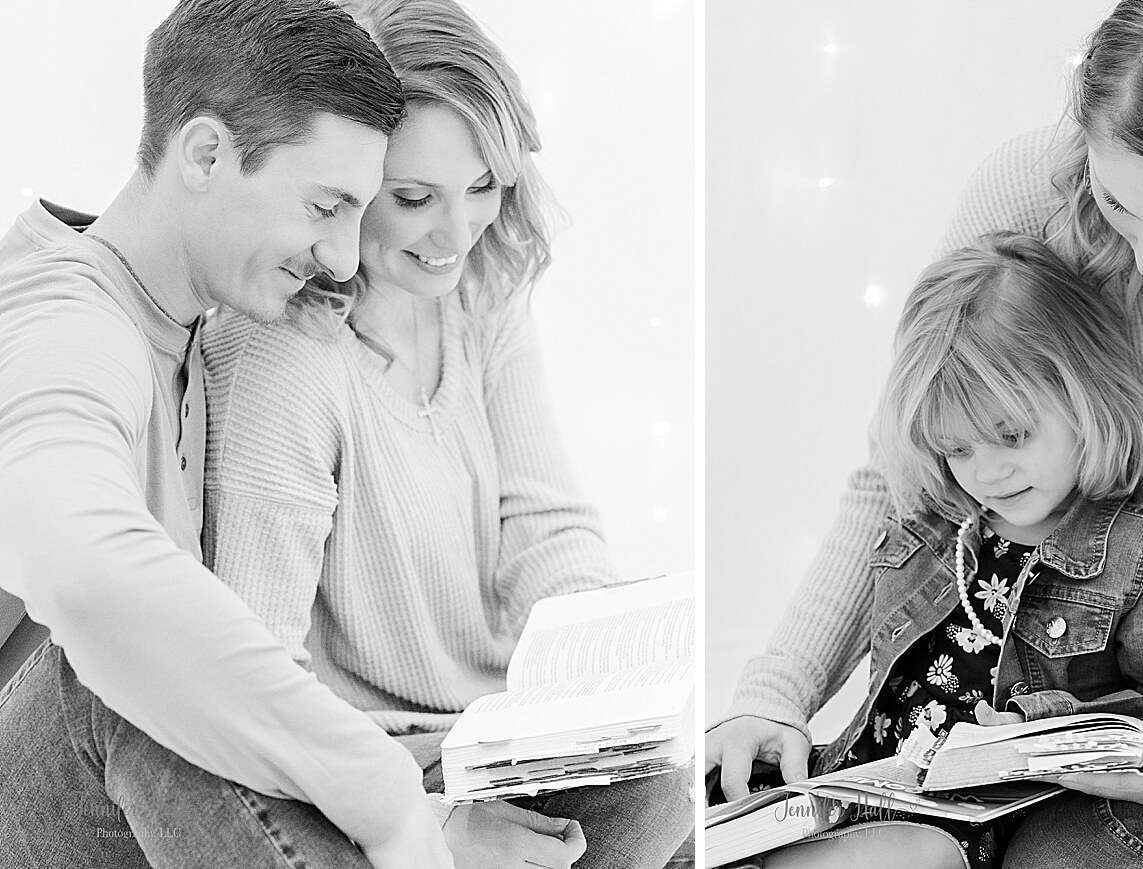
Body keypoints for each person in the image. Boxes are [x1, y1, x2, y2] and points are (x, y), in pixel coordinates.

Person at [709, 0, 1143, 865]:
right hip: (1119, 706)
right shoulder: (1027, 189)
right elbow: (905, 468)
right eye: (1117, 206)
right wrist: (774, 693)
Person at [200, 1, 691, 867]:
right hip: (364, 768)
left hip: (487, 736)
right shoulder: (284, 358)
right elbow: (258, 680)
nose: (458, 234)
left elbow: (543, 523)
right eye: (415, 198)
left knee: (663, 792)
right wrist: (424, 810)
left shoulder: (482, 291)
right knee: (644, 818)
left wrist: (604, 670)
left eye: (483, 188)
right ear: (345, 188)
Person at [0, 1, 477, 868]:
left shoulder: (190, 327)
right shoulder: (65, 321)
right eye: (325, 206)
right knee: (130, 664)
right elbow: (81, 570)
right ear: (207, 154)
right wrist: (388, 795)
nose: (339, 257)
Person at [711, 232, 1143, 868]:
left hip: (982, 824)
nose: (985, 474)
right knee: (694, 808)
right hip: (865, 786)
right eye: (957, 449)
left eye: (1011, 435)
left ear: (1090, 396)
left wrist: (1046, 729)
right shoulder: (935, 522)